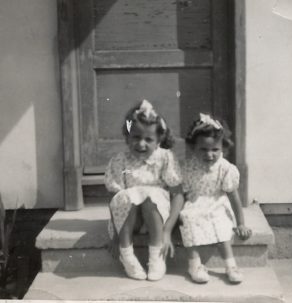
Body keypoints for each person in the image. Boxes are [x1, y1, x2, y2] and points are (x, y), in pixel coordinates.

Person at [104, 100, 183, 281]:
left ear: (158, 141)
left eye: (148, 139)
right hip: (128, 222)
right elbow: (115, 201)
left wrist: (168, 230)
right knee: (129, 196)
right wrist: (116, 236)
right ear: (127, 136)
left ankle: (156, 256)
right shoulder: (120, 161)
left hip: (157, 219)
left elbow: (177, 194)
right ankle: (127, 253)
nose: (141, 144)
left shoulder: (165, 158)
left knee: (150, 196)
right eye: (136, 137)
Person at [177, 113, 252, 284]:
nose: (209, 155)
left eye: (215, 150)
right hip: (194, 202)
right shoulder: (188, 167)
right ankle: (194, 264)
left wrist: (240, 223)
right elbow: (182, 194)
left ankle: (230, 265)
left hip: (217, 201)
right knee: (188, 218)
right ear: (193, 147)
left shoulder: (225, 168)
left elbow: (234, 197)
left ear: (223, 148)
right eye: (203, 149)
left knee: (219, 221)